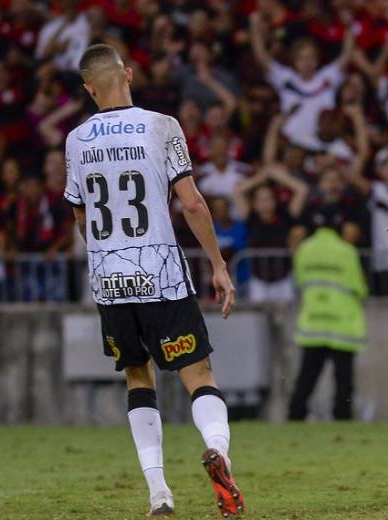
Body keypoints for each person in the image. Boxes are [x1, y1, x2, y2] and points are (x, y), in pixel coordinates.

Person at [61, 45, 242, 517]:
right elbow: (193, 203)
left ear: (88, 88)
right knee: (197, 374)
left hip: (110, 280)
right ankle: (219, 453)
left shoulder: (76, 139)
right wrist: (219, 265)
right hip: (160, 273)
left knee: (138, 379)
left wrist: (104, 253)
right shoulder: (162, 125)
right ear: (129, 74)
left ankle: (159, 495)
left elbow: (81, 214)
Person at [288, 214, 367, 421]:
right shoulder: (346, 251)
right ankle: (342, 417)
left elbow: (299, 280)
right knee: (343, 379)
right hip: (342, 324)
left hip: (314, 321)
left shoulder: (304, 249)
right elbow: (358, 287)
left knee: (307, 377)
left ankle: (295, 416)